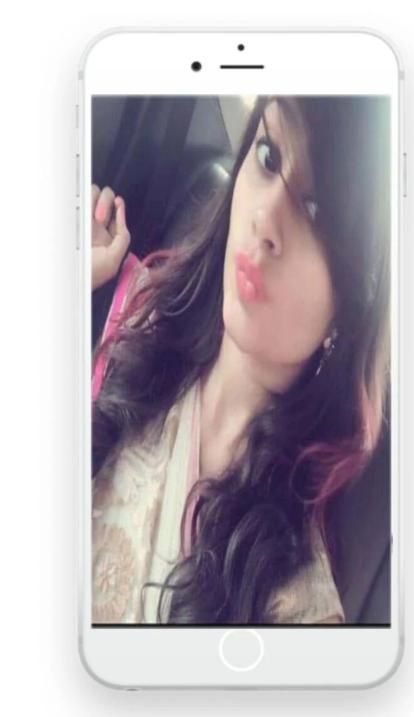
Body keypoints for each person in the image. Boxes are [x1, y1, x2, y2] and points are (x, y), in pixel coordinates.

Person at [90, 95, 390, 624]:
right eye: (268, 156)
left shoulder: (296, 603)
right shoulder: (125, 304)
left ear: (352, 306)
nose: (264, 217)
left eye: (316, 210)